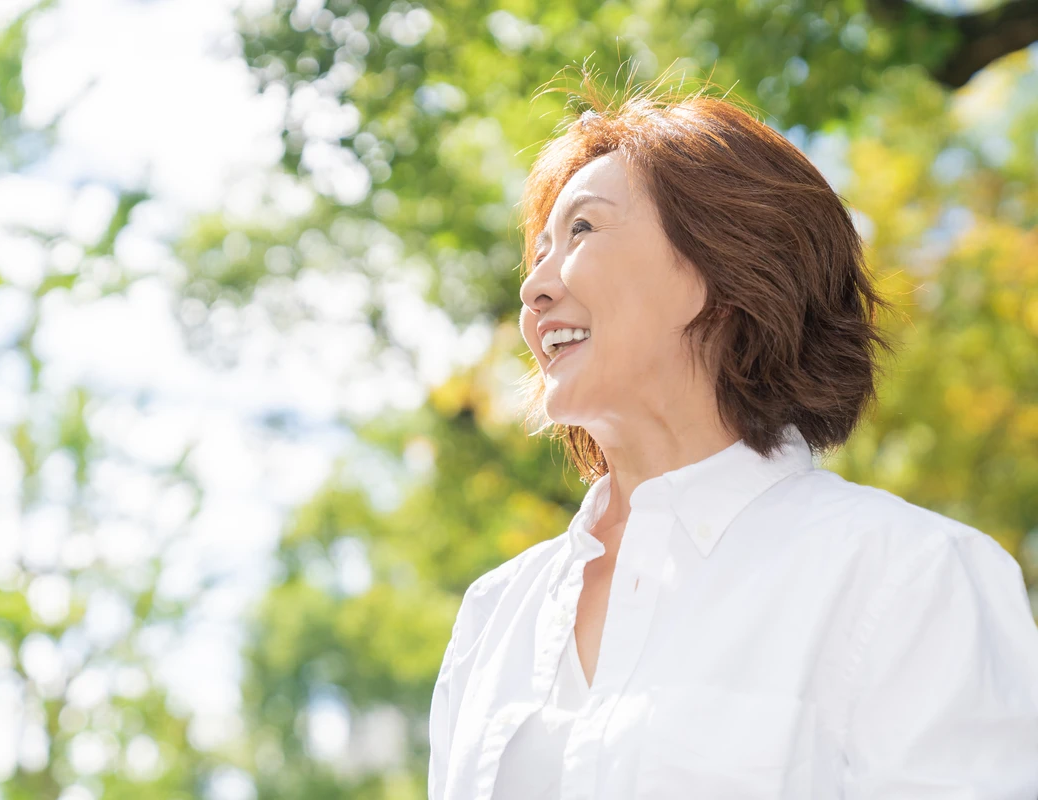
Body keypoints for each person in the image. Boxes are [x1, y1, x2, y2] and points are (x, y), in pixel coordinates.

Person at [426, 78, 1038, 800]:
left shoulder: (907, 577)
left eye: (582, 231)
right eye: (537, 253)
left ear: (723, 268)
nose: (534, 288)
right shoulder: (495, 614)